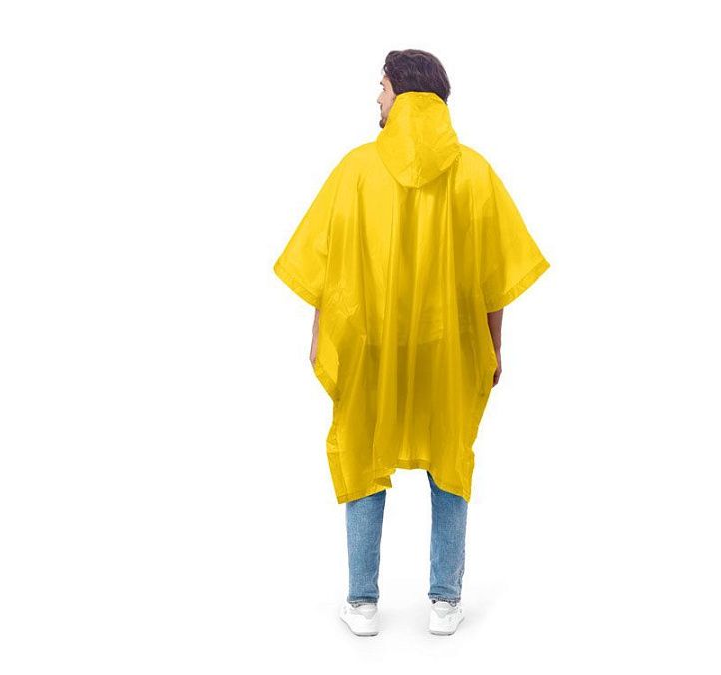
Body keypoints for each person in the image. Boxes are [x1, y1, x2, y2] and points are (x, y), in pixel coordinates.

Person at [273, 49, 550, 636]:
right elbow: (494, 276)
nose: (377, 97)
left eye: (381, 87)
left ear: (402, 94)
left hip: (371, 344)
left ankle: (362, 602)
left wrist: (321, 333)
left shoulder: (356, 169)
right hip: (447, 345)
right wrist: (494, 345)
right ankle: (445, 602)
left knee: (364, 448)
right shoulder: (474, 173)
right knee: (449, 455)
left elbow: (324, 263)